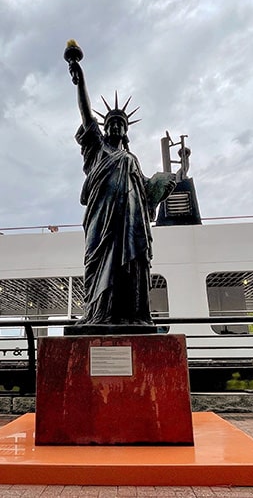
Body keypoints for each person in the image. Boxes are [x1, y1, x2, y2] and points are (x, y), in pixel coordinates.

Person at [67, 47, 175, 327]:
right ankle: (96, 312)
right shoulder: (96, 148)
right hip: (100, 220)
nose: (115, 127)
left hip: (129, 222)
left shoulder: (131, 159)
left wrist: (165, 183)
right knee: (95, 263)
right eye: (112, 123)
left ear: (126, 130)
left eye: (120, 124)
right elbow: (86, 114)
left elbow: (145, 191)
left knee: (129, 266)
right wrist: (81, 81)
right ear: (106, 128)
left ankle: (131, 314)